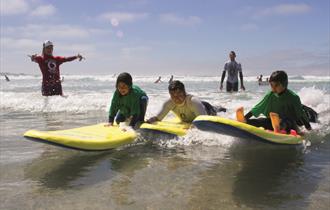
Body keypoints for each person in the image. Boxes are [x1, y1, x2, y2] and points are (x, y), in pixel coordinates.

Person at [236, 70, 317, 134]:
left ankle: (279, 128)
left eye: (276, 85)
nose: (273, 88)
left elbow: (301, 114)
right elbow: (257, 108)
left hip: (291, 125)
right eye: (271, 85)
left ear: (284, 84)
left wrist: (308, 128)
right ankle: (245, 121)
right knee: (262, 121)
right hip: (274, 122)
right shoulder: (270, 95)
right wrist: (246, 117)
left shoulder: (293, 97)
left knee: (286, 120)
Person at [147, 80, 226, 124]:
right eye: (173, 96)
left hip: (206, 108)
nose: (176, 98)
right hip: (193, 113)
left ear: (184, 92)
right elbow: (158, 118)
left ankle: (220, 108)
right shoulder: (169, 103)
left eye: (179, 94)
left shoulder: (193, 101)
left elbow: (204, 121)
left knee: (217, 112)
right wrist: (148, 121)